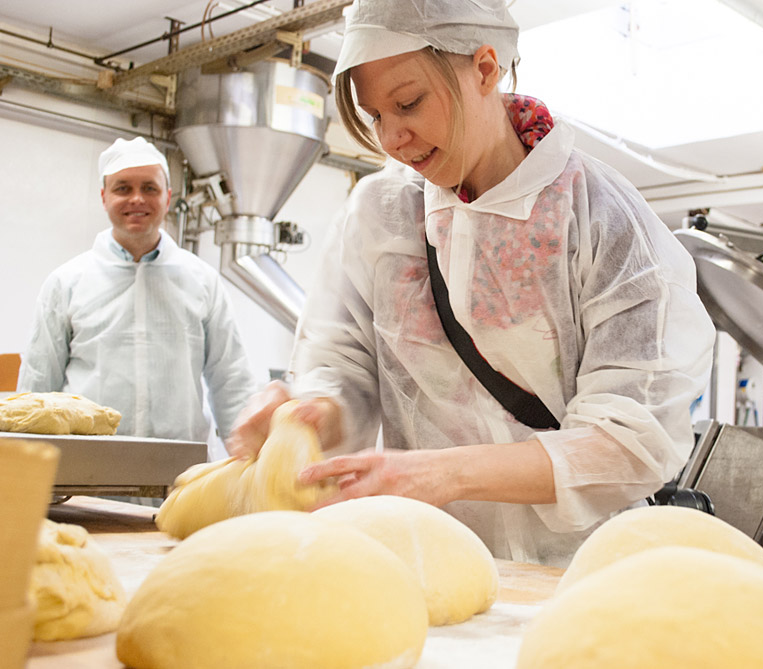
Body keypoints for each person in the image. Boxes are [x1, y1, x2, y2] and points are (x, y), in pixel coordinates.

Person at [227, 0, 716, 566]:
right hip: (428, 556)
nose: (392, 137)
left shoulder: (603, 218)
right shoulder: (381, 216)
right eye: (376, 115)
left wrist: (446, 472)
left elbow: (632, 440)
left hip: (579, 568)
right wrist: (312, 409)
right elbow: (342, 362)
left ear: (485, 68)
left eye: (407, 103)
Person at [19, 137, 258, 446]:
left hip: (177, 473)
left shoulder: (202, 282)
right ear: (104, 197)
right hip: (88, 468)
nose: (136, 199)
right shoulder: (66, 283)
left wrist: (250, 457)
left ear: (168, 197)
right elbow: (38, 387)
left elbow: (231, 380)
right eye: (122, 188)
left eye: (149, 188)